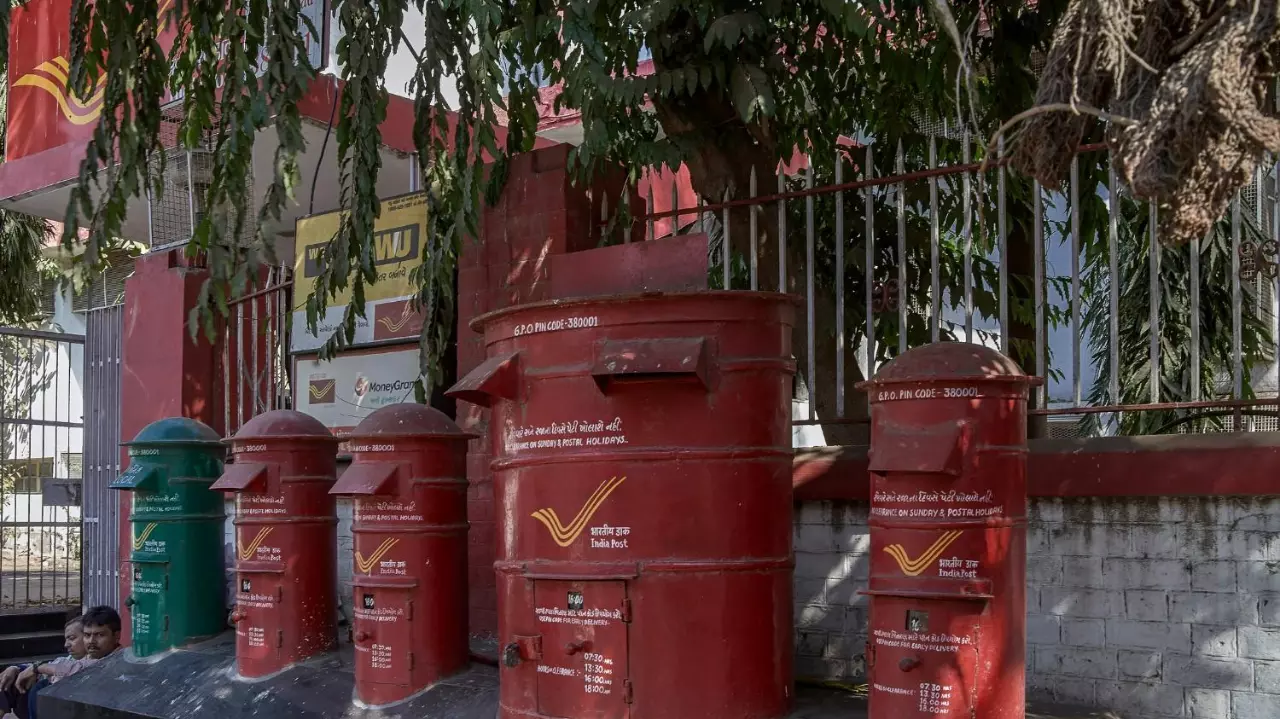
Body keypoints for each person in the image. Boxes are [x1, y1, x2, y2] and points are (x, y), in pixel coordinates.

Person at [0, 614, 85, 719]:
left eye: (72, 638)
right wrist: (14, 668)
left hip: (51, 708)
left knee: (39, 686)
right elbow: (43, 665)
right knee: (10, 677)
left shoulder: (90, 663)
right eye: (66, 639)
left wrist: (37, 669)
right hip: (31, 701)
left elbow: (60, 671)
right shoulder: (67, 659)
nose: (66, 644)